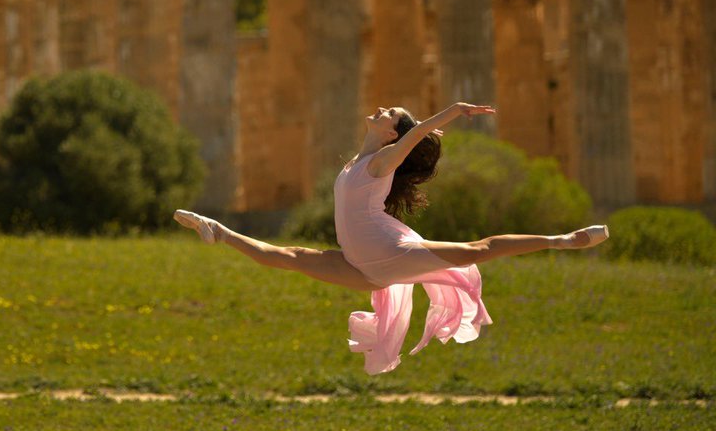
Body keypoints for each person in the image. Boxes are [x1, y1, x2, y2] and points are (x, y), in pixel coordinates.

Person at [174, 102, 608, 374]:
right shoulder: (356, 163)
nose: (382, 109)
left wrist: (453, 112)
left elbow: (417, 134)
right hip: (361, 266)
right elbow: (408, 135)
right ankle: (220, 231)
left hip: (390, 252)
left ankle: (565, 239)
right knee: (288, 255)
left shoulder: (382, 160)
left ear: (391, 134)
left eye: (390, 114)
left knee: (479, 250)